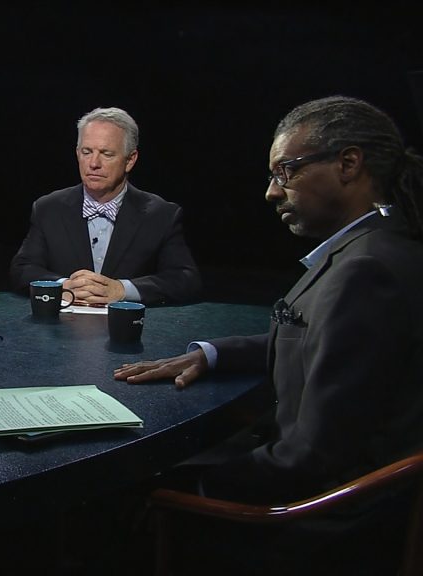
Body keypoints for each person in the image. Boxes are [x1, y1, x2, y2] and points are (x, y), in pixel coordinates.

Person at [115, 96, 423, 574]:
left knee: (132, 499)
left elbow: (310, 456)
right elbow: (327, 341)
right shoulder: (384, 248)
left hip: (323, 530)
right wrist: (213, 354)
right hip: (357, 505)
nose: (271, 193)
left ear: (348, 164)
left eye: (286, 171)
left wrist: (189, 491)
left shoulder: (365, 272)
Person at [9, 107, 201, 305]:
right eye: (86, 152)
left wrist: (122, 290)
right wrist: (63, 286)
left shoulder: (161, 215)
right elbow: (22, 269)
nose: (93, 163)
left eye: (106, 154)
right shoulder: (48, 208)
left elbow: (185, 279)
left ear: (130, 160)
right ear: (77, 154)